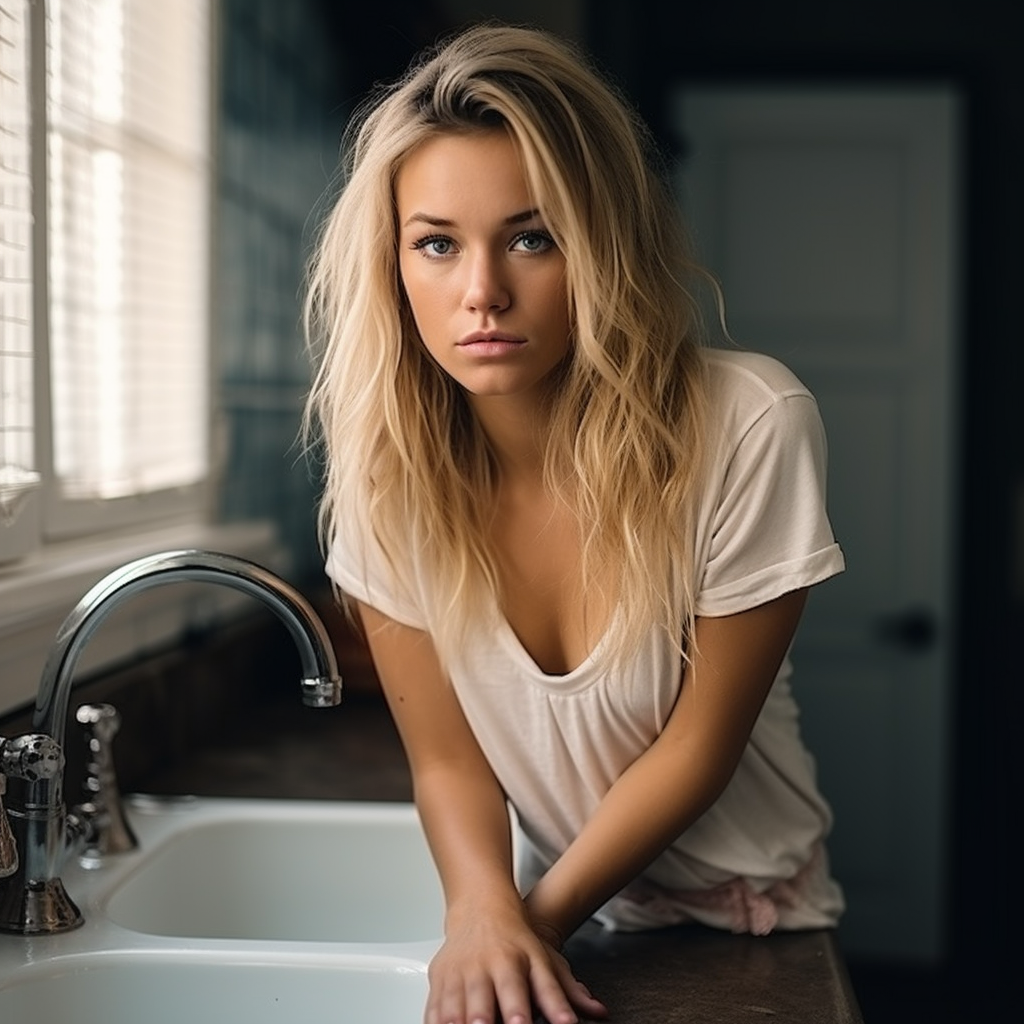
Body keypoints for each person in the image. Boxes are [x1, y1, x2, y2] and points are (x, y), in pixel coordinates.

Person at [303, 22, 845, 1024]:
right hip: (571, 914)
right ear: (391, 266)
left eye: (531, 236)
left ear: (599, 244)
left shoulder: (746, 423)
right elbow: (448, 759)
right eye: (436, 243)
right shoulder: (388, 480)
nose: (482, 293)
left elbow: (697, 747)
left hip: (750, 923)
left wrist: (526, 926)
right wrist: (480, 915)